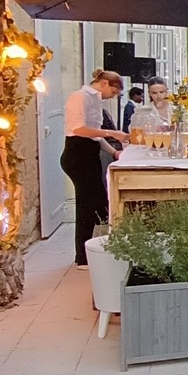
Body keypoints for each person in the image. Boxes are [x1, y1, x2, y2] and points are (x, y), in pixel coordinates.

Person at [60, 69, 127, 269]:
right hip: (77, 153)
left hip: (89, 152)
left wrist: (113, 152)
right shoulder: (79, 97)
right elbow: (79, 129)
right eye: (113, 92)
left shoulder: (95, 101)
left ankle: (96, 248)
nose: (111, 97)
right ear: (105, 83)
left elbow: (95, 137)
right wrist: (113, 133)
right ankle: (82, 256)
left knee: (98, 202)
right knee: (86, 205)